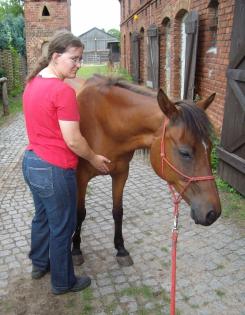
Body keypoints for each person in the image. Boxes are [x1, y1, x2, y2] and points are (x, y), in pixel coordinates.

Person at [22, 30, 111, 295]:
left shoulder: (33, 83)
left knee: (42, 218)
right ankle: (63, 282)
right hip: (54, 170)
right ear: (56, 56)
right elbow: (73, 140)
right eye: (74, 59)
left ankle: (39, 264)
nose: (78, 64)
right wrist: (94, 158)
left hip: (31, 162)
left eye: (80, 59)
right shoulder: (61, 92)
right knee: (63, 226)